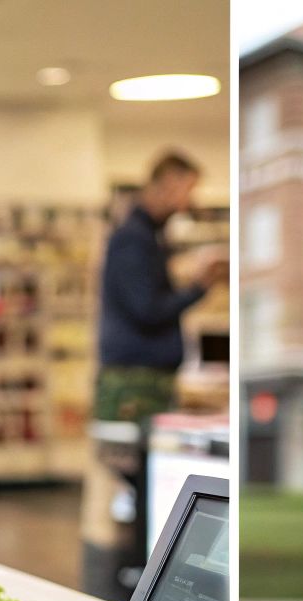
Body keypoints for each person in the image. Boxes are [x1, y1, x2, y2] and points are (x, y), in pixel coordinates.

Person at [94, 150, 226, 423]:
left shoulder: (147, 238)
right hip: (136, 381)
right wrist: (199, 287)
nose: (187, 202)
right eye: (186, 191)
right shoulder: (134, 239)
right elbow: (148, 310)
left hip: (141, 376)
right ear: (167, 184)